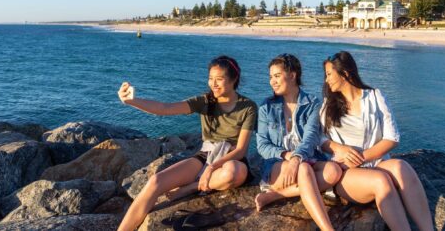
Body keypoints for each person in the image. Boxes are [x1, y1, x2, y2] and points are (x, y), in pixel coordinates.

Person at [116, 55, 257, 231]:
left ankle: (191, 188)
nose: (213, 84)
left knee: (233, 173)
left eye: (219, 79)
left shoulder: (248, 107)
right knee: (155, 181)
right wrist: (131, 101)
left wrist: (211, 169)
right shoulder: (205, 101)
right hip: (205, 155)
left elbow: (241, 150)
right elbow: (164, 109)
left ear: (234, 79)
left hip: (230, 159)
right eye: (210, 79)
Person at [319, 51, 434, 231]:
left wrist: (360, 158)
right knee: (381, 181)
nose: (327, 80)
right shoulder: (328, 105)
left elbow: (392, 138)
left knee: (402, 167)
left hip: (375, 163)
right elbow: (319, 139)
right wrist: (338, 147)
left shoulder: (374, 96)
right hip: (344, 174)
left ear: (345, 74)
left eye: (329, 74)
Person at [255, 54, 342, 231]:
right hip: (278, 166)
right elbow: (262, 145)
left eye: (277, 75)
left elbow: (311, 137)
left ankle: (275, 195)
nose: (272, 81)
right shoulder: (266, 107)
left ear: (292, 75)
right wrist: (289, 156)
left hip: (308, 159)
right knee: (304, 168)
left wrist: (298, 158)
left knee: (333, 171)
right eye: (271, 77)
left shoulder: (312, 103)